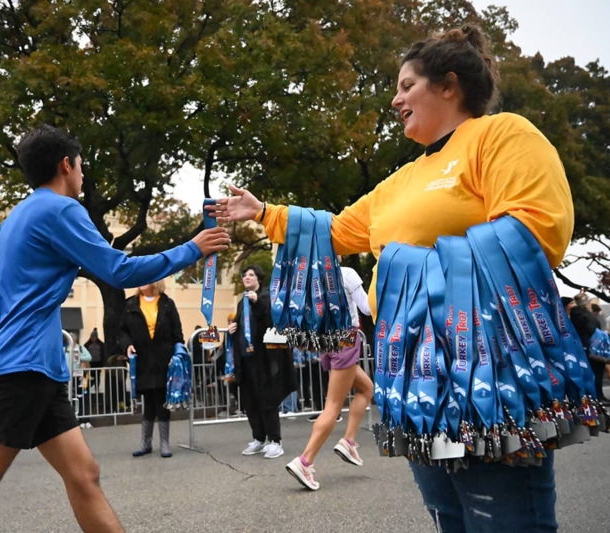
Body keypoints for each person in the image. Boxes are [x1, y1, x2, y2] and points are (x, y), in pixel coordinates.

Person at [214, 24, 571, 530]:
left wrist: (410, 267)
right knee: (448, 512)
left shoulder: (501, 135)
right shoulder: (399, 182)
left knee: (503, 516)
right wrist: (265, 212)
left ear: (448, 85)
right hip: (413, 372)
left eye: (407, 85)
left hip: (488, 364)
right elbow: (336, 231)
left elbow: (536, 229)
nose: (395, 97)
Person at [0, 124, 230, 533]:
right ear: (66, 165)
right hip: (23, 370)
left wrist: (5, 315)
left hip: (36, 369)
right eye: (81, 165)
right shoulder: (61, 210)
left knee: (84, 475)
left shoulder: (18, 216)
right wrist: (193, 248)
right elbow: (119, 270)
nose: (83, 174)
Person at [284, 264, 374, 490]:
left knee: (366, 388)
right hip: (346, 338)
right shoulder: (346, 273)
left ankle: (349, 441)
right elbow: (366, 307)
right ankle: (305, 460)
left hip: (328, 340)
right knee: (333, 406)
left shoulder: (312, 277)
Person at [228, 265, 296, 459]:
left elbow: (271, 322)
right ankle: (258, 438)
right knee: (250, 401)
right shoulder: (243, 301)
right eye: (245, 275)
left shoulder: (266, 296)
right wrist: (233, 329)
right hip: (247, 359)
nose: (247, 277)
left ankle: (275, 440)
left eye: (251, 275)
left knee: (267, 400)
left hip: (265, 359)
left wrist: (257, 304)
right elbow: (243, 325)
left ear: (259, 278)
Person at [119, 280, 183, 458]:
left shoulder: (167, 303)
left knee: (162, 401)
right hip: (142, 359)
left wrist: (177, 353)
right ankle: (145, 443)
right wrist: (127, 345)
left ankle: (164, 444)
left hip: (164, 359)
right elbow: (122, 331)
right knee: (148, 402)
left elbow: (177, 331)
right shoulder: (130, 304)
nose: (142, 281)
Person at [564, 294, 610, 405]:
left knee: (598, 373)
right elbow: (590, 328)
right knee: (595, 373)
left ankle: (599, 395)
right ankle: (597, 397)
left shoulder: (581, 314)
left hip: (591, 345)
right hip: (589, 346)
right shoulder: (580, 315)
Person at [65, 332, 93, 429]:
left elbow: (89, 357)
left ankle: (85, 419)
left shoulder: (80, 348)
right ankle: (73, 420)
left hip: (80, 376)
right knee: (69, 398)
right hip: (67, 377)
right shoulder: (64, 349)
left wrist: (79, 357)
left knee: (83, 397)